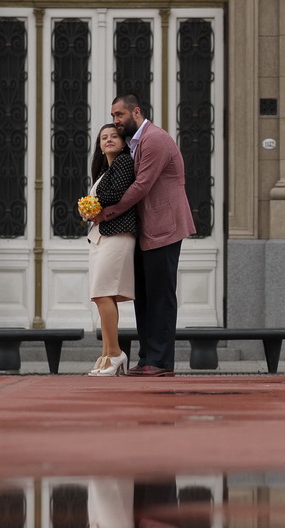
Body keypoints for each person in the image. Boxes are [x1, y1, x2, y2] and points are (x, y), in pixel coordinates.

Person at [94, 93, 196, 378]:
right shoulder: (135, 144)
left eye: (119, 115)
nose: (115, 121)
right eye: (113, 116)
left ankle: (161, 361)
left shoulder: (155, 140)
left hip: (165, 227)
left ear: (135, 112)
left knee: (161, 297)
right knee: (145, 297)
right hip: (146, 229)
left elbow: (141, 186)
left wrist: (107, 213)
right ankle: (147, 357)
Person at [85, 124, 138, 377]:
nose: (108, 140)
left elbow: (117, 194)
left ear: (123, 141)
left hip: (117, 235)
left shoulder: (125, 162)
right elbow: (103, 197)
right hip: (101, 237)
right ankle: (107, 353)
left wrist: (90, 204)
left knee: (104, 293)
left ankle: (116, 353)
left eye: (113, 136)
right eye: (103, 137)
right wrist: (86, 209)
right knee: (100, 295)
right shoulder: (104, 170)